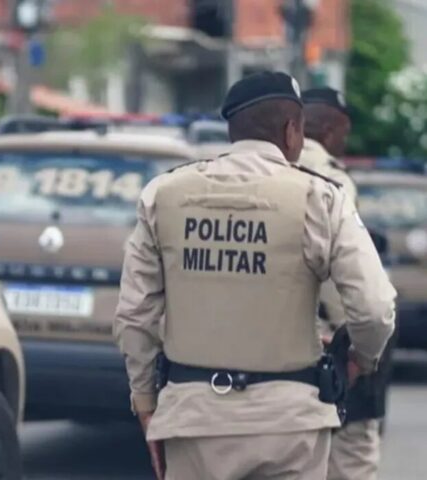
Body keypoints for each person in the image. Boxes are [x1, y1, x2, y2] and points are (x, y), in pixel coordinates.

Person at [114, 71, 397, 479]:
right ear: (292, 130)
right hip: (289, 425)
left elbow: (134, 316)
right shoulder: (320, 198)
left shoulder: (163, 195)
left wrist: (145, 402)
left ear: (233, 130)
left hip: (193, 418)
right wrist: (360, 360)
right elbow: (374, 308)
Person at [300, 87, 398, 480]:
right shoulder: (333, 180)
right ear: (327, 130)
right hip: (328, 342)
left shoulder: (255, 173)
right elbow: (348, 283)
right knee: (352, 452)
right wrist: (360, 349)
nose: (345, 142)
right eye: (343, 133)